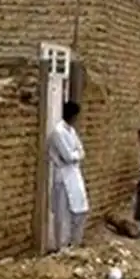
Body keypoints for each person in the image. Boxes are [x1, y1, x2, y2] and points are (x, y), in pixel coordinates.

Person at [46, 100, 89, 250]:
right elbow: (67, 156)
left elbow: (81, 151)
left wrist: (76, 154)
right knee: (61, 214)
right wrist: (76, 154)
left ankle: (74, 243)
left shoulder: (71, 131)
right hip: (62, 177)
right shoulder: (58, 132)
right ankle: (61, 247)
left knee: (80, 209)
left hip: (74, 175)